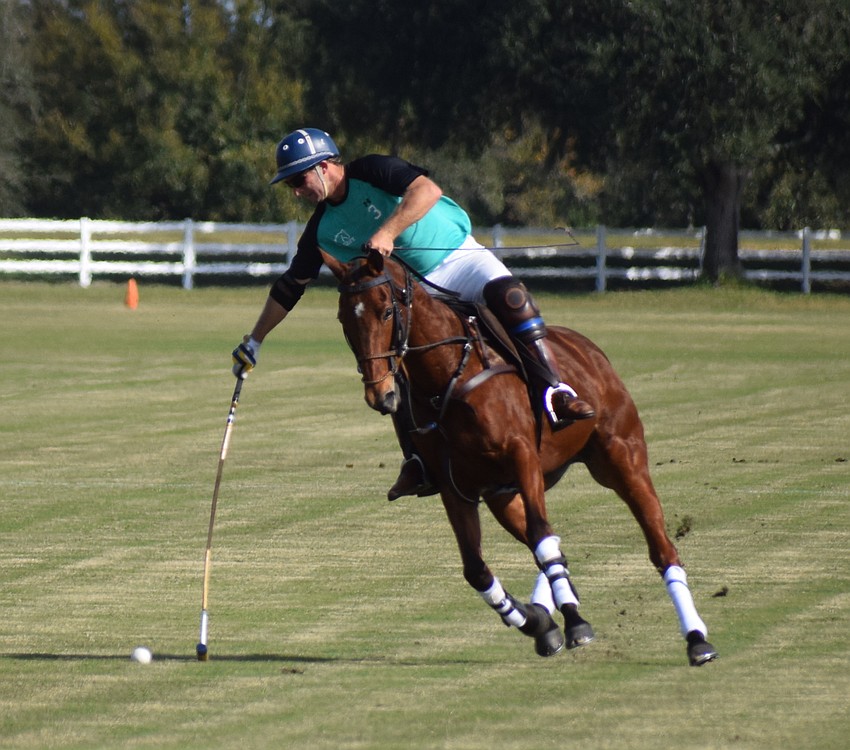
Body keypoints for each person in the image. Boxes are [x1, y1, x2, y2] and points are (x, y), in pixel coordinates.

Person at [232, 127, 595, 501]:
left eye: (299, 179)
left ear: (324, 167)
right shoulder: (321, 230)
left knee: (513, 298)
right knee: (391, 359)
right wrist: (255, 340)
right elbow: (291, 285)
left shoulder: (372, 170)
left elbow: (427, 191)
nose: (296, 191)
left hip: (458, 259)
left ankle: (555, 390)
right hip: (418, 296)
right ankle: (418, 459)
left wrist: (388, 231)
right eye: (290, 183)